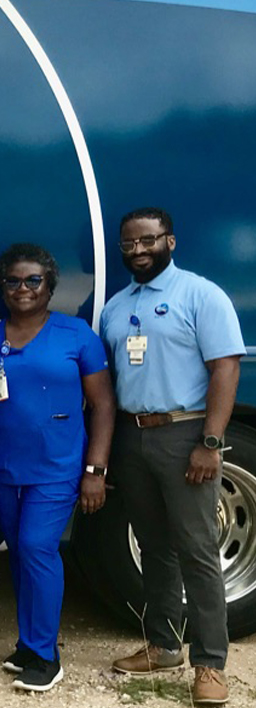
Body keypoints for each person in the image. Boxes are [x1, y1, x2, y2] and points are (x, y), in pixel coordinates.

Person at [101, 208, 243, 706]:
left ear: (171, 242)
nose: (137, 251)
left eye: (147, 241)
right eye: (128, 244)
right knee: (154, 545)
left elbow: (225, 367)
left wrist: (210, 442)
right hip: (133, 437)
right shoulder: (116, 307)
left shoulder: (202, 296)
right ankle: (163, 646)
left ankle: (210, 664)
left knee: (196, 549)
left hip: (186, 435)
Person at [0, 243, 116, 693]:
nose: (23, 289)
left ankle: (47, 656)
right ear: (2, 286)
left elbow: (104, 404)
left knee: (36, 548)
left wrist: (96, 470)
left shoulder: (76, 336)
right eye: (13, 281)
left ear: (50, 286)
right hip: (3, 468)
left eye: (33, 280)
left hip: (58, 467)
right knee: (23, 556)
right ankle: (29, 645)